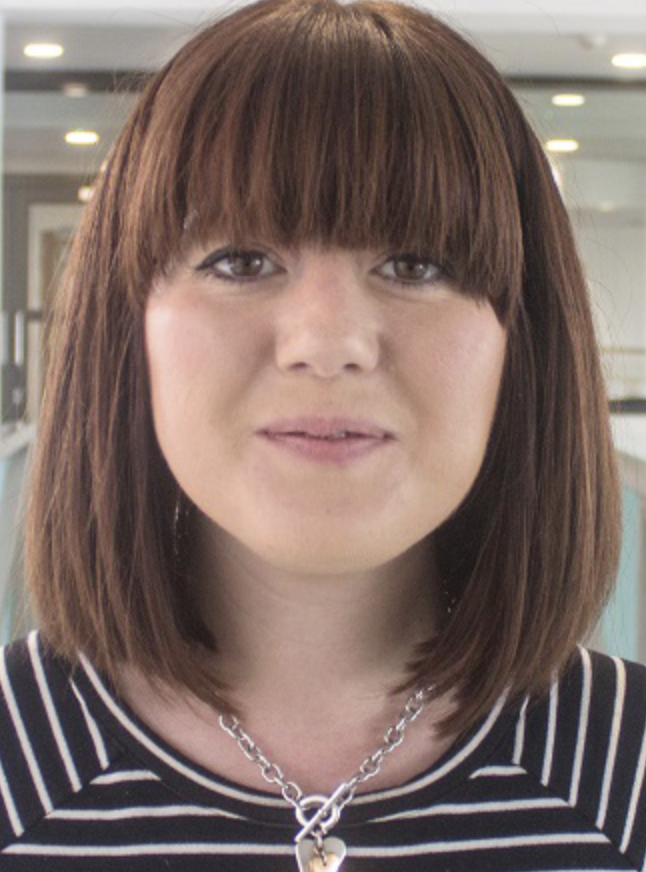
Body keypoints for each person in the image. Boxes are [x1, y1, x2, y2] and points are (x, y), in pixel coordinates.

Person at [0, 0, 643, 868]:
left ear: (520, 345)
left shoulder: (627, 772)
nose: (329, 343)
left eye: (416, 263)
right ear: (127, 331)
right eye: (240, 261)